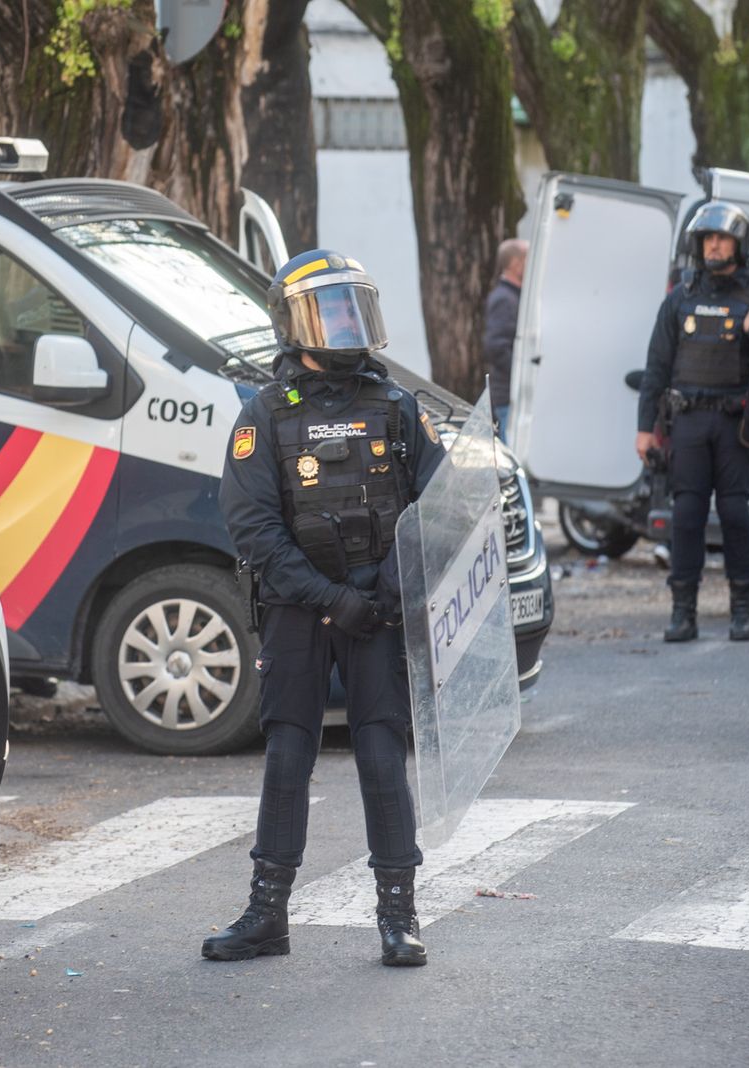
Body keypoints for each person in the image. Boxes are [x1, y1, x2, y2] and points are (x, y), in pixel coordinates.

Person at [206, 249, 444, 968]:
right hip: (300, 609)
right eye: (328, 310)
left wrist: (387, 596)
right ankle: (266, 915)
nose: (343, 325)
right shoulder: (264, 416)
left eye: (351, 307)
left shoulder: (398, 407)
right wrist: (335, 599)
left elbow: (441, 510)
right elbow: (254, 532)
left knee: (379, 754)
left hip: (377, 610)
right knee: (287, 755)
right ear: (295, 323)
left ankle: (399, 917)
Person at [636, 201, 749, 642]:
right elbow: (656, 367)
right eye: (708, 239)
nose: (714, 246)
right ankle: (683, 611)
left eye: (722, 239)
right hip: (687, 423)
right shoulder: (680, 298)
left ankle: (743, 609)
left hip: (736, 426)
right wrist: (645, 428)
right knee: (686, 516)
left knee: (736, 515)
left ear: (740, 246)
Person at [482, 238, 528, 442]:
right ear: (515, 264)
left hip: (512, 395)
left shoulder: (516, 297)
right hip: (508, 396)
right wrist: (522, 376)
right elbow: (496, 347)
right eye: (529, 259)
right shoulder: (505, 299)